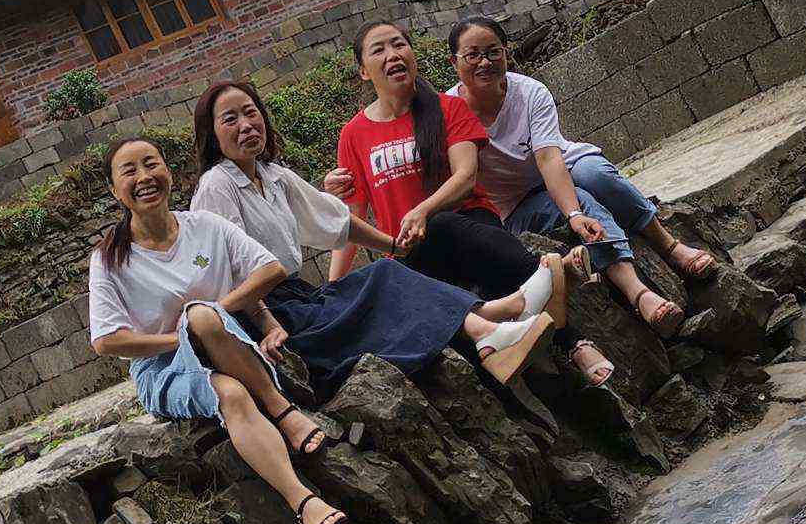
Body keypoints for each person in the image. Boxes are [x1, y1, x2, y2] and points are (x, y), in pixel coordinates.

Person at [187, 78, 560, 396]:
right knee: (382, 283)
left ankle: (490, 324)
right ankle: (493, 321)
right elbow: (230, 274)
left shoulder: (273, 175)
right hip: (269, 316)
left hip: (298, 298)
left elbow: (338, 220)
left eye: (251, 112)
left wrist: (395, 247)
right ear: (212, 135)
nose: (246, 125)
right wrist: (267, 324)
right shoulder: (217, 186)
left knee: (386, 272)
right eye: (230, 119)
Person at [84, 136, 349, 524]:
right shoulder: (109, 258)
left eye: (151, 164)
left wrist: (215, 316)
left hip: (226, 338)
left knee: (204, 318)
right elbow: (107, 341)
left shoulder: (203, 226)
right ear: (113, 188)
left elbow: (271, 269)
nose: (144, 177)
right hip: (163, 369)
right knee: (232, 393)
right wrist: (184, 338)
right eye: (129, 171)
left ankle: (279, 409)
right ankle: (303, 501)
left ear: (168, 171)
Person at [331, 21, 618, 386]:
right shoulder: (353, 134)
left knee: (446, 228)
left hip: (470, 225)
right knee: (417, 278)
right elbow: (351, 219)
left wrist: (422, 210)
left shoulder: (448, 108)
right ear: (363, 70)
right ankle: (554, 280)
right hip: (411, 252)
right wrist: (334, 288)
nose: (393, 55)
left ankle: (576, 344)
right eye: (379, 49)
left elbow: (466, 176)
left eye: (399, 44)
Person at [445, 13, 718, 336]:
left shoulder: (530, 92)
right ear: (454, 62)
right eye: (472, 55)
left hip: (563, 165)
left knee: (596, 177)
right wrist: (576, 211)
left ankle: (669, 245)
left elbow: (548, 157)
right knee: (585, 201)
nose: (484, 62)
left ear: (506, 52)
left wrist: (571, 212)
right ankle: (638, 292)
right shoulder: (448, 112)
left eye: (493, 52)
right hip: (517, 203)